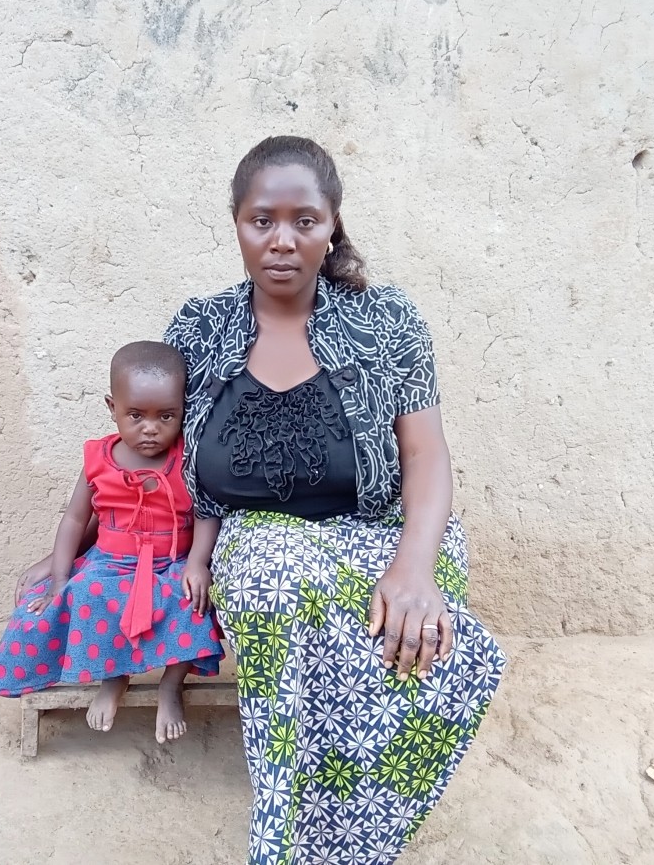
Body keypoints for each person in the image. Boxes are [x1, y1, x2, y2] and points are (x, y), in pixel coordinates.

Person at [159, 136, 508, 863]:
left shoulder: (389, 321)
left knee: (439, 641)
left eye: (304, 220)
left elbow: (427, 456)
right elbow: (141, 446)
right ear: (237, 224)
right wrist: (81, 539)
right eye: (263, 220)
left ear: (332, 225)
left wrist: (412, 569)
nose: (282, 239)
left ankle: (349, 833)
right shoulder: (199, 328)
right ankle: (296, 839)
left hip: (384, 537)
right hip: (259, 545)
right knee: (268, 571)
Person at [0, 341, 224, 744]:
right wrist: (59, 578)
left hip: (171, 562)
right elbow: (76, 518)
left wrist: (198, 563)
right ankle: (113, 678)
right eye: (135, 415)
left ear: (184, 409)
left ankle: (170, 685)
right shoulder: (98, 458)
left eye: (167, 416)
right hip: (110, 561)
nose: (151, 427)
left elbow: (206, 512)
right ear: (112, 408)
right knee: (93, 596)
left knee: (190, 602)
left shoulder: (189, 458)